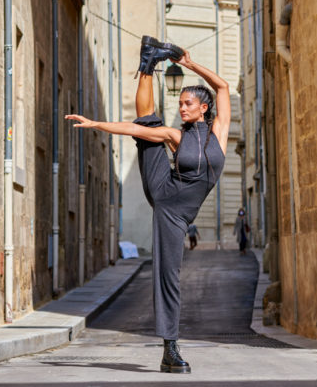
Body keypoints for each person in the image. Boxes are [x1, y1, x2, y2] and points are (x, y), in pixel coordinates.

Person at [66, 35, 230, 374]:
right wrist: (97, 124)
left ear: (203, 107)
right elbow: (130, 129)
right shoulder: (177, 136)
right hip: (166, 198)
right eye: (181, 103)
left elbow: (223, 86)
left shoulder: (219, 134)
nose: (182, 108)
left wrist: (189, 64)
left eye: (188, 103)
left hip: (183, 211)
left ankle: (148, 60)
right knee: (146, 126)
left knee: (148, 119)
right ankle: (170, 348)